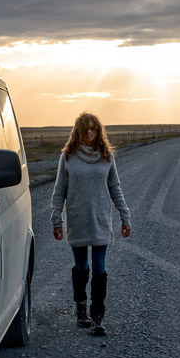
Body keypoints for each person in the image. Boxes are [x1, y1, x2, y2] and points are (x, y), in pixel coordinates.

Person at [50, 112, 131, 336]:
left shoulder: (107, 157)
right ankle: (81, 307)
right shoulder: (67, 157)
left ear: (99, 130)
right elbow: (59, 191)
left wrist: (125, 216)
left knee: (99, 268)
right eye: (85, 128)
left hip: (101, 220)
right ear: (78, 131)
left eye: (93, 128)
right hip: (77, 219)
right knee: (81, 267)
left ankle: (97, 316)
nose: (89, 132)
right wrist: (56, 219)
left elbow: (115, 188)